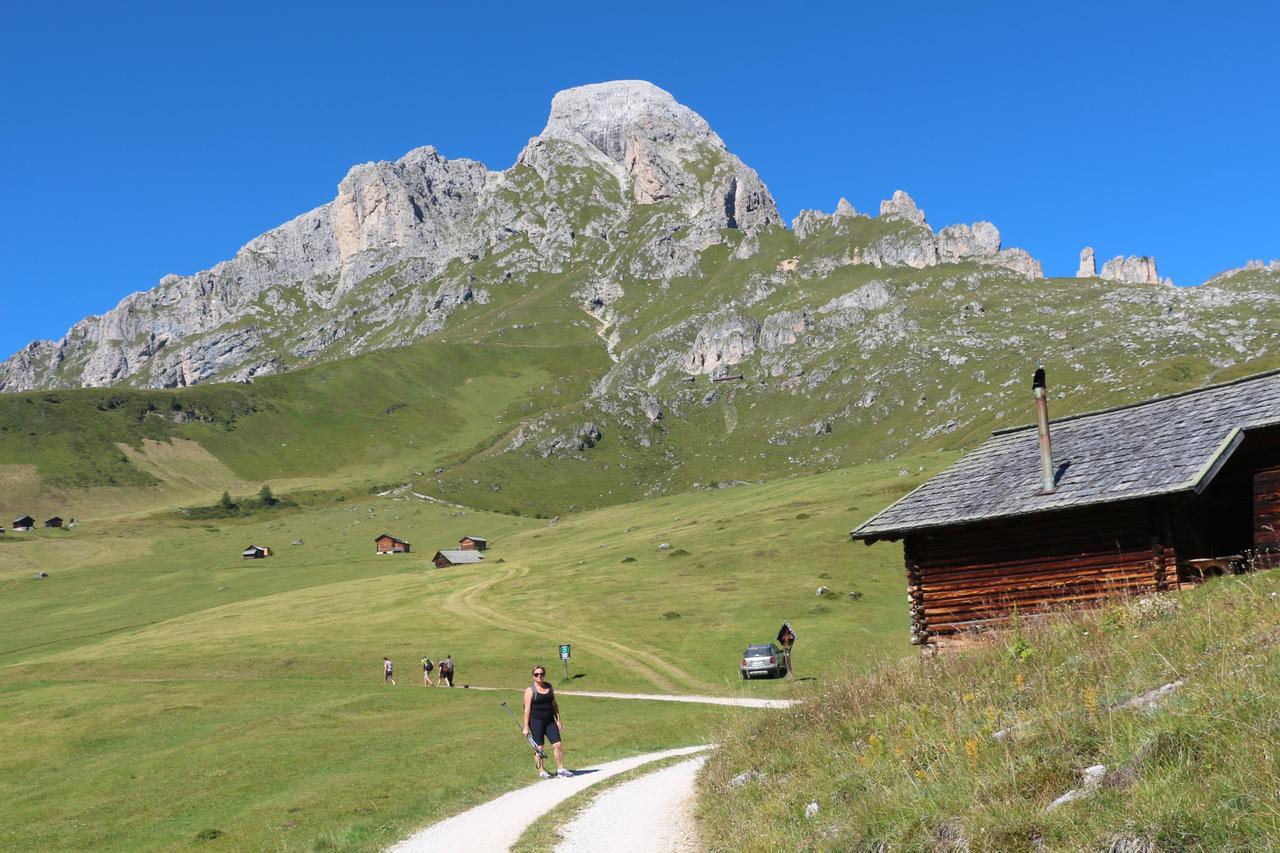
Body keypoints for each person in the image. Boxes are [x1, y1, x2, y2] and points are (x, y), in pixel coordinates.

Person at [522, 665, 572, 778]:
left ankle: (560, 770)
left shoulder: (549, 687)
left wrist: (558, 720)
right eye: (536, 674)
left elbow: (554, 704)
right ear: (533, 676)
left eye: (541, 674)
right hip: (536, 721)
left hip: (550, 720)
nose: (539, 676)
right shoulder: (530, 691)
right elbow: (527, 710)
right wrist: (526, 726)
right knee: (539, 747)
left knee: (558, 744)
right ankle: (542, 771)